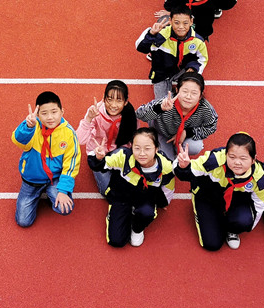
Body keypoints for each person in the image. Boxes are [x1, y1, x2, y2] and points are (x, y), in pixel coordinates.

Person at [175, 132, 264, 251]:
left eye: (243, 158)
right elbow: (186, 173)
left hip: (235, 200)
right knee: (212, 244)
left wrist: (247, 225)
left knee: (244, 220)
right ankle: (205, 214)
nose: (237, 162)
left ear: (253, 159)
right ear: (226, 154)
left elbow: (259, 204)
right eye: (232, 157)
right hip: (208, 196)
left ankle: (231, 230)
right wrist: (183, 167)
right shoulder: (213, 161)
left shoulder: (259, 177)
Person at [88, 128, 175, 247]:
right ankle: (113, 214)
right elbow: (100, 166)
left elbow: (169, 183)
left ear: (156, 149)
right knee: (116, 242)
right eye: (137, 148)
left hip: (145, 198)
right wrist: (98, 158)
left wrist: (164, 201)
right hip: (121, 196)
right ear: (131, 147)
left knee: (147, 213)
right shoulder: (123, 157)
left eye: (147, 148)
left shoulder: (165, 165)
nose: (142, 153)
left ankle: (137, 229)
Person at [13, 91, 81, 228]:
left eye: (54, 112)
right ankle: (37, 196)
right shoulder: (32, 126)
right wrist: (28, 127)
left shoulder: (69, 133)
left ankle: (53, 192)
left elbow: (71, 164)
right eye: (44, 113)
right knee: (23, 222)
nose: (50, 117)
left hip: (54, 178)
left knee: (65, 208)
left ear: (62, 111)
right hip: (31, 180)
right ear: (38, 115)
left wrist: (63, 190)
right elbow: (17, 140)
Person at [134, 71, 218, 161]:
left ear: (200, 96)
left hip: (184, 135)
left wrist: (188, 132)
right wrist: (159, 108)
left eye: (194, 93)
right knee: (166, 163)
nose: (188, 96)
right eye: (185, 91)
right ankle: (168, 149)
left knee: (196, 146)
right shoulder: (166, 102)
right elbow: (138, 114)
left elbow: (211, 127)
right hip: (162, 132)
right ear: (177, 90)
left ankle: (176, 148)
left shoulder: (205, 109)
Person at [76, 80, 138, 196]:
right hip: (98, 154)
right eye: (110, 99)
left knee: (132, 185)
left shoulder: (129, 114)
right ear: (104, 99)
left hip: (118, 151)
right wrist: (88, 119)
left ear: (125, 102)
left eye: (119, 100)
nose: (113, 105)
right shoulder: (95, 112)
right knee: (107, 192)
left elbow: (133, 139)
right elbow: (79, 140)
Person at [135, 5, 208, 99]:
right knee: (162, 104)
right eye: (176, 23)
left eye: (185, 23)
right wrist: (151, 34)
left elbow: (202, 59)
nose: (181, 27)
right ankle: (167, 87)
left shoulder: (197, 40)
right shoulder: (159, 35)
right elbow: (140, 48)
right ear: (170, 21)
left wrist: (193, 69)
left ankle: (181, 85)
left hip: (182, 70)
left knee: (190, 97)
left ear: (191, 21)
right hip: (162, 74)